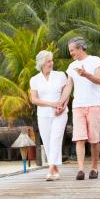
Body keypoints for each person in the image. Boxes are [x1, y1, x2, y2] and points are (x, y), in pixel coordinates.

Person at [59, 37, 100, 180]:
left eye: (72, 50)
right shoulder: (72, 66)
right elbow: (69, 86)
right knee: (79, 138)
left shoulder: (95, 60)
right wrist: (61, 102)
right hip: (78, 106)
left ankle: (94, 168)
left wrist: (86, 74)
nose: (71, 53)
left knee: (94, 140)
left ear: (80, 48)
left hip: (94, 104)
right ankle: (80, 170)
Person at [30, 50, 68, 181]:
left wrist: (61, 107)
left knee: (55, 140)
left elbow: (66, 94)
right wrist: (52, 104)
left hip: (60, 114)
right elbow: (34, 100)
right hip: (43, 115)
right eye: (48, 61)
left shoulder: (60, 75)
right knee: (47, 143)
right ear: (41, 63)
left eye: (52, 60)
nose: (51, 63)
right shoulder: (34, 79)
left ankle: (51, 168)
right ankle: (56, 171)